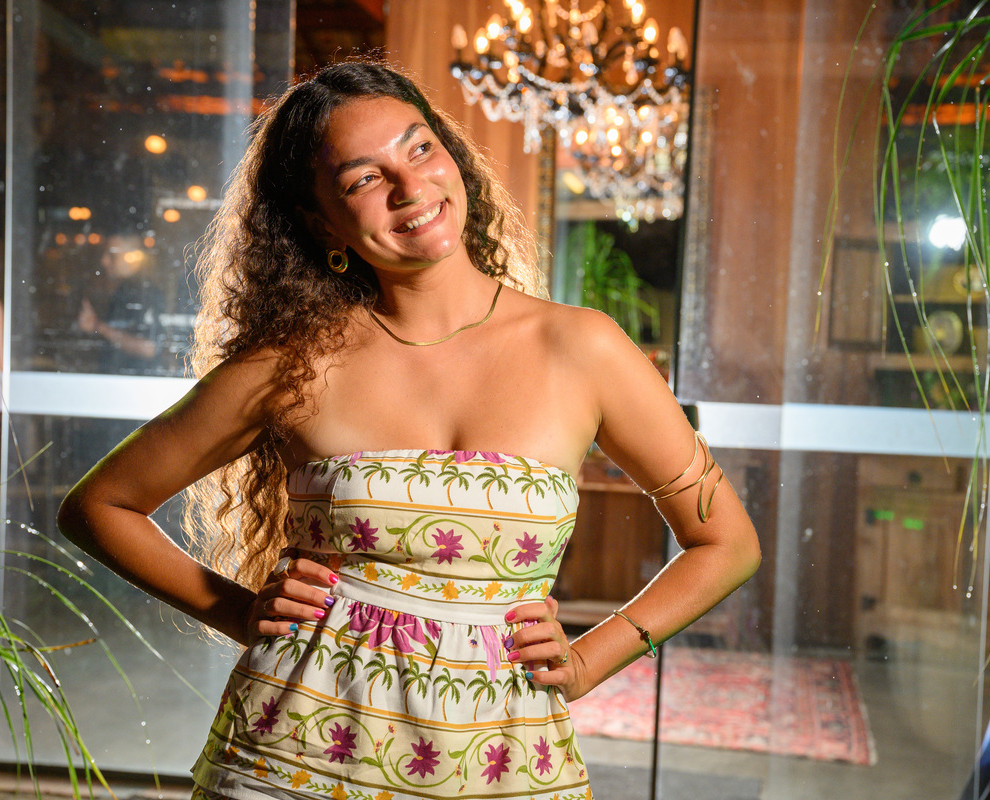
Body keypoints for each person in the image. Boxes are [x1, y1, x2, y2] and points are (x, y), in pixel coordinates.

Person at [57, 61, 761, 800]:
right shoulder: (292, 363)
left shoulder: (584, 348)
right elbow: (99, 505)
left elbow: (727, 543)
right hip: (290, 764)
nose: (409, 186)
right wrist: (237, 611)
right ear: (321, 222)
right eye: (364, 178)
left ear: (452, 156)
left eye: (420, 147)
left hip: (506, 767)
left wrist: (593, 657)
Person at [76, 232, 165, 374]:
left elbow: (149, 348)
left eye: (112, 255)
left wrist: (98, 326)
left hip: (134, 380)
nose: (104, 261)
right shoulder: (124, 290)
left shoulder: (145, 292)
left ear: (132, 257)